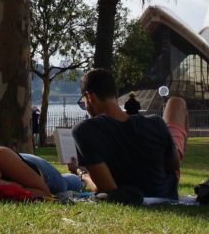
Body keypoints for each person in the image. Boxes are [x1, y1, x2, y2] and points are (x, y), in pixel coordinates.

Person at [70, 68, 188, 200]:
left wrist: (81, 173)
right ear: (115, 94)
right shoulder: (156, 122)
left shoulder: (85, 131)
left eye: (83, 102)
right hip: (166, 194)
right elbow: (174, 166)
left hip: (133, 197)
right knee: (177, 103)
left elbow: (106, 189)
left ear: (90, 97)